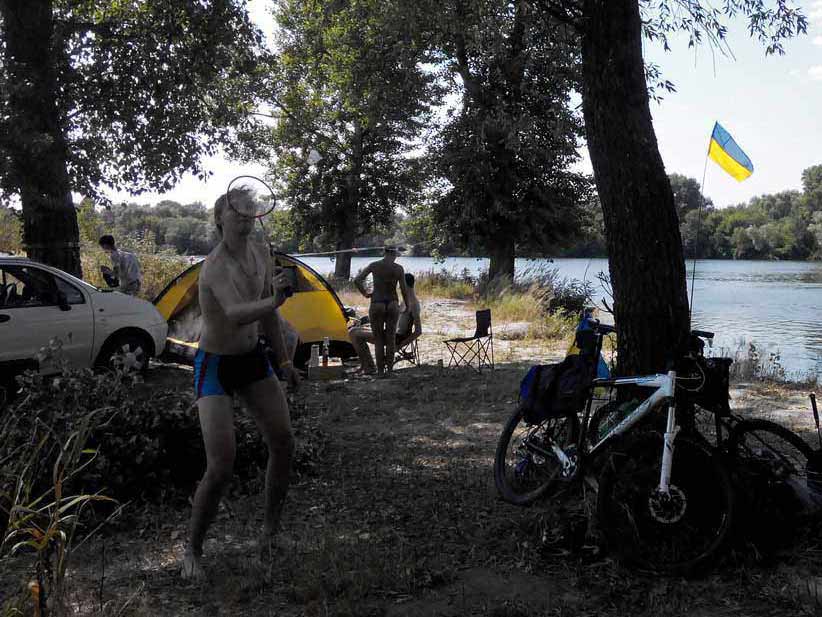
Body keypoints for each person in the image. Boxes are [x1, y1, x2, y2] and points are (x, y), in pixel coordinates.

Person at [181, 188, 299, 580]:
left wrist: (284, 360)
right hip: (215, 364)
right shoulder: (214, 265)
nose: (246, 216)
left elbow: (266, 318)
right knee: (221, 465)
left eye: (250, 210)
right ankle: (192, 551)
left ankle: (270, 535)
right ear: (220, 219)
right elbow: (235, 313)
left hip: (252, 359)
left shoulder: (261, 252)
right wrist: (275, 300)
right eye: (237, 211)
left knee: (283, 442)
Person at [353, 247, 410, 377]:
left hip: (377, 302)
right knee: (391, 339)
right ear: (394, 255)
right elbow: (403, 289)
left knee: (378, 340)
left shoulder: (374, 265)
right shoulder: (398, 268)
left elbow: (357, 280)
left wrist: (365, 293)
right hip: (392, 303)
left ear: (384, 253)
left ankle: (380, 372)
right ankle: (389, 371)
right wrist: (407, 304)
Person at [349, 273, 422, 374]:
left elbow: (418, 331)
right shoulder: (405, 301)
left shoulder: (414, 304)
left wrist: (399, 346)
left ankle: (369, 367)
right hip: (389, 332)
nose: (398, 287)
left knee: (354, 333)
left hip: (395, 338)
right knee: (356, 329)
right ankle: (367, 365)